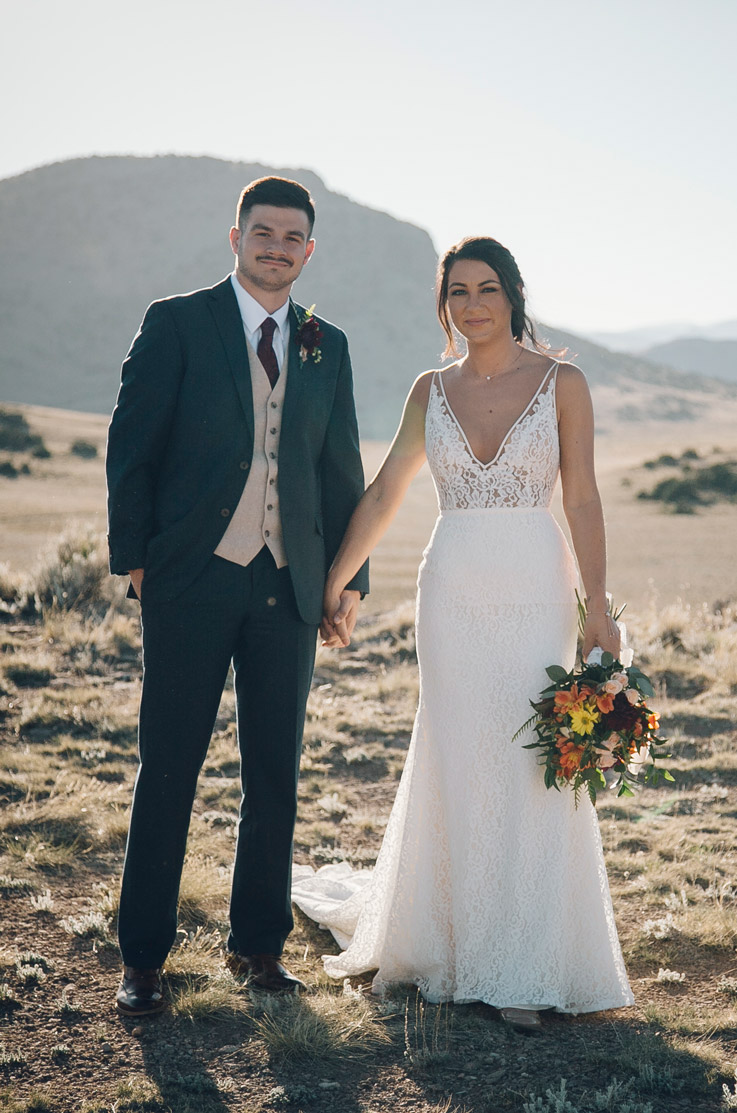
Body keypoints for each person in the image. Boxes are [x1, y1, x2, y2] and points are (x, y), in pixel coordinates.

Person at [296, 235, 634, 1031]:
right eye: (457, 292)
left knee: (528, 759)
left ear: (513, 295)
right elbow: (385, 490)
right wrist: (336, 578)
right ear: (442, 303)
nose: (472, 304)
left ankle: (523, 960)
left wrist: (597, 603)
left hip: (534, 587)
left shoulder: (563, 383)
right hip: (449, 592)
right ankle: (446, 944)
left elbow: (580, 497)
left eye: (486, 288)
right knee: (454, 747)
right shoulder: (429, 389)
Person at [106, 176, 368, 1016]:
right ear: (236, 237)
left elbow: (339, 471)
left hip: (285, 586)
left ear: (308, 250)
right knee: (170, 767)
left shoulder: (328, 344)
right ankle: (142, 957)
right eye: (263, 233)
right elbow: (131, 446)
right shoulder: (177, 321)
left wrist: (346, 580)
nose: (276, 247)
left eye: (292, 238)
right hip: (189, 577)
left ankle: (257, 948)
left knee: (276, 776)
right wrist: (136, 559)